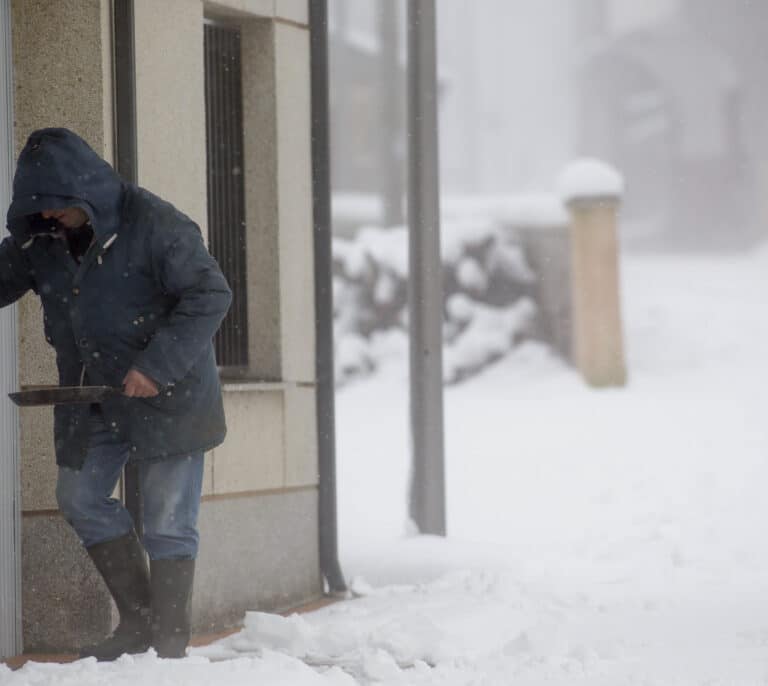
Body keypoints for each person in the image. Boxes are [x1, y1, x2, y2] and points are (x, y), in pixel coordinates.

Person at [0, 128, 232, 660]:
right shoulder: (42, 240)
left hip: (169, 393)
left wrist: (155, 367)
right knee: (79, 496)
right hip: (94, 394)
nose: (50, 219)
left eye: (57, 208)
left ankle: (169, 644)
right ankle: (140, 622)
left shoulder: (154, 223)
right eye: (40, 211)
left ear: (82, 192)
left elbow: (210, 293)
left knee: (169, 519)